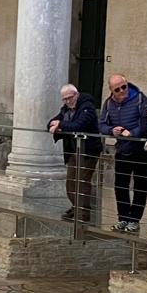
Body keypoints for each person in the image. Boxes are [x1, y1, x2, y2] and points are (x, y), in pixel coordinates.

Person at [100, 74, 147, 234]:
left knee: (140, 186)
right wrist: (112, 130)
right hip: (122, 149)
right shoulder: (109, 104)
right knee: (120, 185)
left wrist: (132, 133)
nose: (122, 91)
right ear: (112, 90)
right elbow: (101, 124)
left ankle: (134, 220)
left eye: (124, 86)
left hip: (141, 151)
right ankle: (123, 217)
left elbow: (146, 124)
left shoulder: (140, 100)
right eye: (117, 89)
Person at [49, 84, 102, 223]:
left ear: (76, 95)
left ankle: (83, 214)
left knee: (83, 182)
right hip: (73, 150)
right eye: (65, 99)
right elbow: (51, 123)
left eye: (70, 97)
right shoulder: (65, 110)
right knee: (71, 183)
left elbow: (79, 125)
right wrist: (56, 124)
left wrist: (60, 125)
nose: (68, 101)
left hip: (88, 150)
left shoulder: (87, 107)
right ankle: (76, 207)